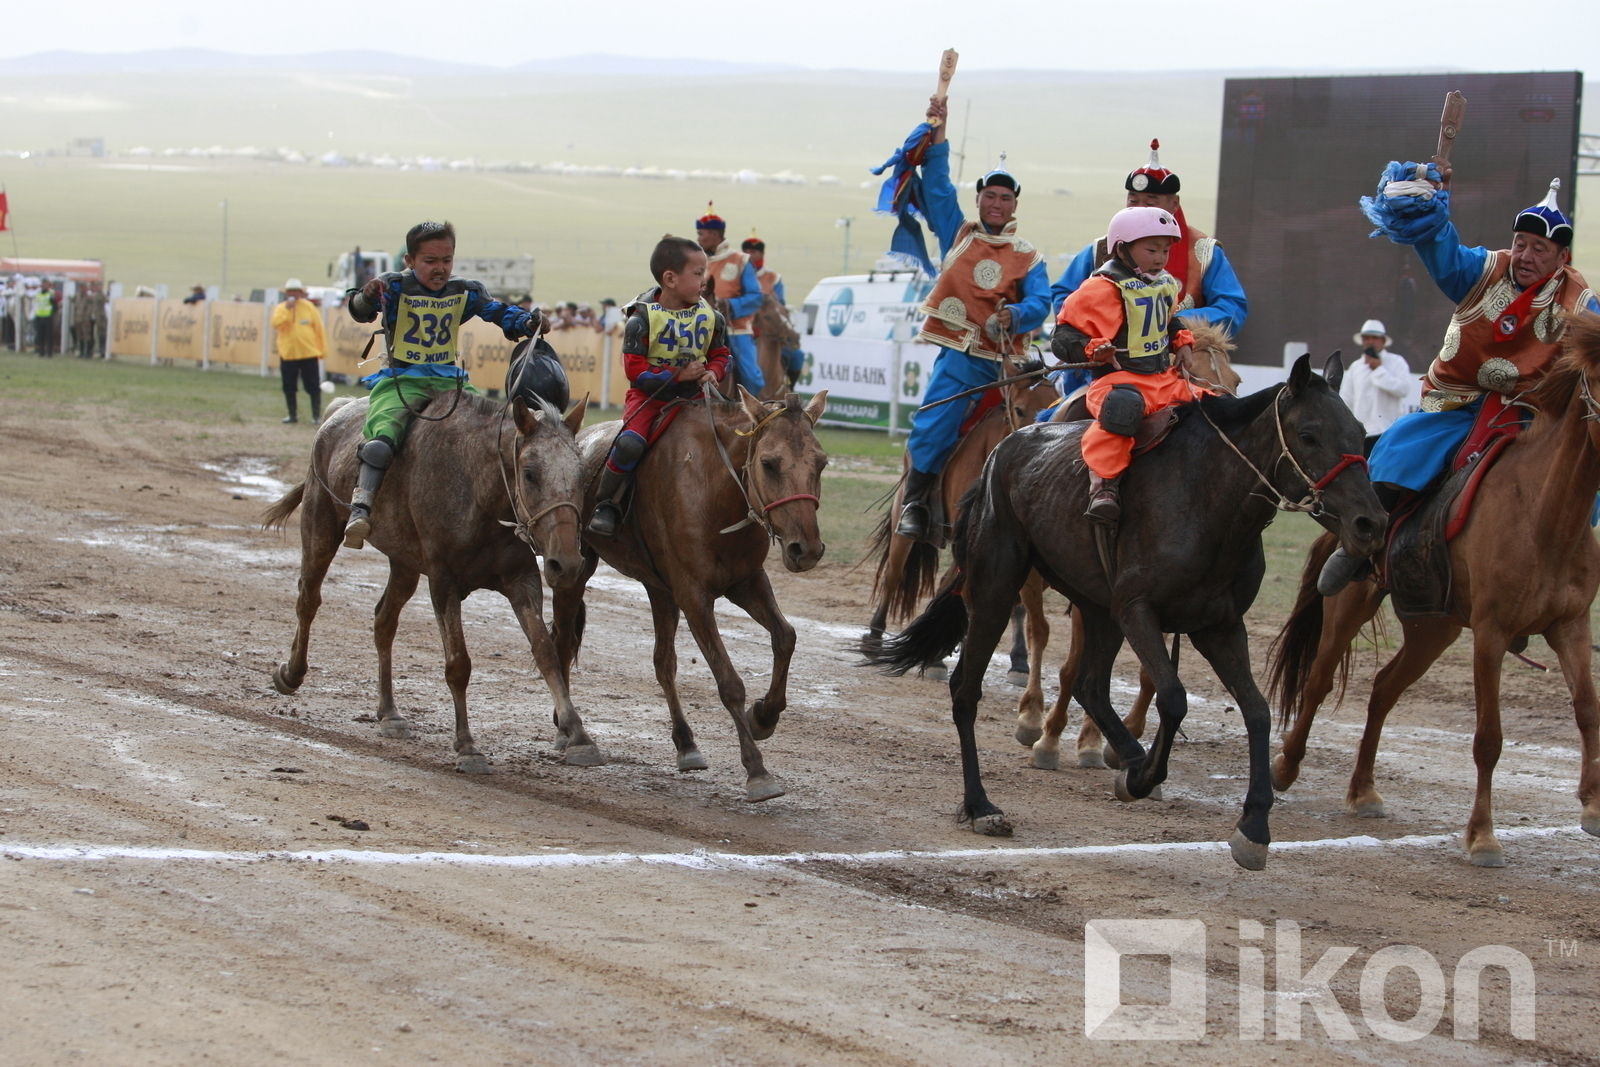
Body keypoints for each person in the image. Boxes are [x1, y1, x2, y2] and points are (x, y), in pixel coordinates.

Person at [1317, 169, 1600, 595]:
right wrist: (1428, 212)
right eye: (1521, 244)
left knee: (1576, 484)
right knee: (1398, 448)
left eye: (1539, 249)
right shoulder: (1484, 270)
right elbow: (1444, 253)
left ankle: (1547, 583)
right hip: (1460, 402)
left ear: (1562, 258)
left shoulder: (1580, 303)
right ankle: (1359, 546)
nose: (1525, 255)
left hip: (1534, 415)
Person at [894, 94, 1051, 542]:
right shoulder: (957, 234)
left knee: (1048, 422)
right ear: (979, 199)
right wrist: (938, 129)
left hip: (1008, 368)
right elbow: (938, 184)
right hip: (961, 360)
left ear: (1014, 205)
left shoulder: (1029, 256)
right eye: (989, 195)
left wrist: (1015, 313)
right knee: (933, 424)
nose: (996, 203)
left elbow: (1041, 302)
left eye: (1004, 197)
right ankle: (916, 505)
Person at [342, 220, 541, 549]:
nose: (440, 268)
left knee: (496, 435)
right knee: (381, 441)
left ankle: (514, 514)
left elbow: (496, 312)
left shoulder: (464, 290)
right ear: (410, 261)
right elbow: (358, 309)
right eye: (430, 261)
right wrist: (365, 294)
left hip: (451, 383)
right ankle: (360, 508)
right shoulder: (392, 287)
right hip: (401, 380)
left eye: (446, 260)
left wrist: (525, 320)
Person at [1052, 206, 1202, 522]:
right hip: (1118, 382)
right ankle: (1104, 487)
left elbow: (1168, 321)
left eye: (1165, 250)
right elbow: (1062, 339)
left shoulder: (1164, 284)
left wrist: (1182, 343)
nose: (1161, 257)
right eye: (1151, 249)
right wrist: (1093, 351)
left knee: (1214, 404)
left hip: (1164, 380)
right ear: (1122, 248)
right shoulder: (1100, 288)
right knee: (1122, 407)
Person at [587, 235, 731, 538]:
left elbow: (721, 354)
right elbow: (634, 369)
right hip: (649, 398)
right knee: (629, 444)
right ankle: (607, 504)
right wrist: (677, 375)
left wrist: (714, 372)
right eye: (697, 273)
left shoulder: (711, 317)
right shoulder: (640, 319)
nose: (704, 280)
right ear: (670, 278)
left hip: (697, 398)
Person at [1049, 139, 1248, 339]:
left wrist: (1173, 321)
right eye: (1133, 201)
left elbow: (1232, 307)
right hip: (1109, 351)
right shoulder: (1102, 248)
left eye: (1151, 202)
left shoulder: (1204, 253)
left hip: (1183, 350)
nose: (1140, 209)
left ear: (1174, 203)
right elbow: (1064, 294)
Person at [695, 204, 765, 394]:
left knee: (752, 378)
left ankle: (755, 416)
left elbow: (756, 297)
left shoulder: (741, 260)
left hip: (735, 329)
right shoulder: (695, 260)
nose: (698, 238)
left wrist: (729, 305)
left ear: (716, 234)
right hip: (698, 329)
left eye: (702, 234)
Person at [741, 232, 805, 386]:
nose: (750, 255)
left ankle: (790, 388)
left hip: (768, 329)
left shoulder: (773, 277)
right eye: (747, 252)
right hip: (742, 329)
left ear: (762, 254)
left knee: (797, 356)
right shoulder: (736, 276)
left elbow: (780, 306)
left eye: (754, 252)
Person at [1339, 318, 1413, 449]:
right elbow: (1346, 401)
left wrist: (1379, 370)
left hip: (1390, 432)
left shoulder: (1397, 362)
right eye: (1366, 338)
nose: (1370, 342)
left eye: (1374, 338)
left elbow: (1403, 389)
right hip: (1362, 434)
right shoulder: (1355, 367)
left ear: (1383, 341)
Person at [271, 278, 328, 425]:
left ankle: (316, 416)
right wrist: (287, 310)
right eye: (290, 291)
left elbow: (319, 330)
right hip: (288, 354)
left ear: (300, 293)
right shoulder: (281, 308)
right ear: (286, 293)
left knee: (313, 386)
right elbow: (276, 324)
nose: (293, 294)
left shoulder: (309, 307)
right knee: (289, 386)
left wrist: (322, 350)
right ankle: (292, 415)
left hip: (309, 353)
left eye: (296, 291)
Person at [32, 283, 56, 357]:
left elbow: (55, 306)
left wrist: (51, 314)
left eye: (45, 285)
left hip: (48, 317)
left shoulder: (50, 294)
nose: (43, 287)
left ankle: (49, 353)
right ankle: (41, 352)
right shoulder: (38, 295)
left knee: (49, 336)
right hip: (39, 317)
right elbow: (35, 304)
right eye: (42, 285)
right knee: (40, 336)